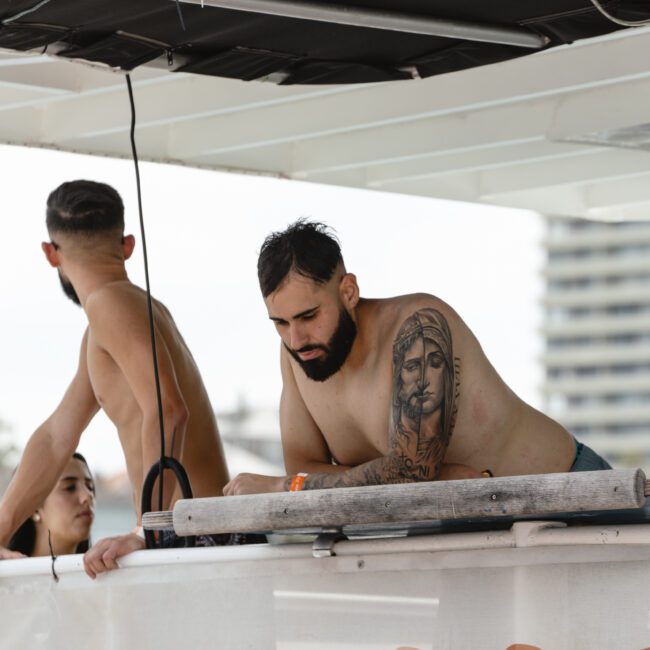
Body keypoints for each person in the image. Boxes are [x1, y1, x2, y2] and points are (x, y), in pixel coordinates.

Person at [224, 220, 610, 496]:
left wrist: (284, 486)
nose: (296, 338)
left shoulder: (418, 329)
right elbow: (307, 467)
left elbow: (409, 473)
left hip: (571, 492)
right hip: (465, 521)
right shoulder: (298, 355)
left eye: (309, 316)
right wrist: (438, 476)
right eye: (280, 322)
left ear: (348, 292)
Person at [0, 180, 230, 576]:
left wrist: (147, 530)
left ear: (50, 254)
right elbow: (58, 436)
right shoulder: (111, 321)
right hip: (197, 540)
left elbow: (170, 410)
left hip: (196, 542)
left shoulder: (112, 305)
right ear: (126, 245)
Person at [7, 452, 95, 558]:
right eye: (70, 487)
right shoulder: (7, 572)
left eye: (90, 487)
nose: (88, 496)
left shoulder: (109, 571)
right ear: (34, 509)